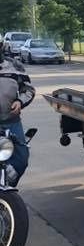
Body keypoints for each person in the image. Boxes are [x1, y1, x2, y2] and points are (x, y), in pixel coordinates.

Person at [0, 54, 35, 186]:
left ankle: (7, 189)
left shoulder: (15, 66)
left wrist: (20, 101)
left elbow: (28, 89)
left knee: (21, 160)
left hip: (12, 122)